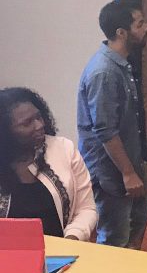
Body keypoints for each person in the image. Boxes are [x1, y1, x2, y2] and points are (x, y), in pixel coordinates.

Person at [77, 0, 147, 247]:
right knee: (114, 237)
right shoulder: (104, 72)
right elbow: (105, 130)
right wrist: (128, 173)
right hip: (110, 170)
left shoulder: (120, 64)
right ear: (122, 32)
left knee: (138, 222)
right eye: (140, 24)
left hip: (128, 163)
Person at [0, 87, 97, 241]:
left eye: (38, 117)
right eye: (27, 123)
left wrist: (72, 238)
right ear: (5, 132)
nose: (39, 125)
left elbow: (86, 209)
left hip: (62, 251)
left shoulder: (64, 149)